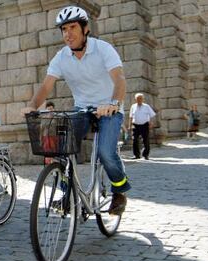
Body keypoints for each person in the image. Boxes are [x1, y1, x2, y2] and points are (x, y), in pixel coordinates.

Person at [22, 6, 130, 216]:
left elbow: (119, 79)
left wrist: (114, 103)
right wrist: (33, 106)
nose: (67, 33)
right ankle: (67, 194)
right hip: (82, 108)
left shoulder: (103, 49)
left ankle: (120, 190)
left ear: (85, 28)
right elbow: (46, 86)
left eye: (72, 27)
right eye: (64, 29)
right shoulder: (61, 57)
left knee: (106, 153)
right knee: (59, 149)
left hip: (109, 108)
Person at [128, 93, 156, 160]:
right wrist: (129, 125)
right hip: (135, 125)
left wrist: (151, 123)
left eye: (140, 98)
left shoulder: (146, 106)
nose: (139, 100)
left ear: (143, 99)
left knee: (145, 140)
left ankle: (145, 155)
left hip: (144, 125)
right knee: (135, 140)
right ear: (135, 99)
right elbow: (131, 116)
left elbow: (152, 115)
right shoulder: (133, 106)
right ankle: (136, 155)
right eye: (137, 98)